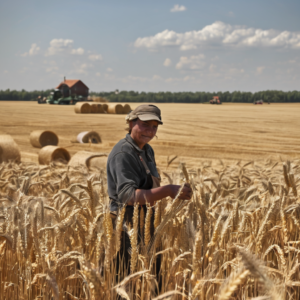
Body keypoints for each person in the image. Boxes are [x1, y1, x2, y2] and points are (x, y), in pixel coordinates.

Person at [107, 104, 193, 278]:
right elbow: (128, 196)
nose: (150, 131)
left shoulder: (146, 150)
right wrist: (168, 190)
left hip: (145, 219)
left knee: (153, 275)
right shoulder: (124, 153)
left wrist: (176, 192)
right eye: (145, 124)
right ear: (131, 123)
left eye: (155, 126)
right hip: (126, 223)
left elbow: (149, 186)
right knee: (124, 279)